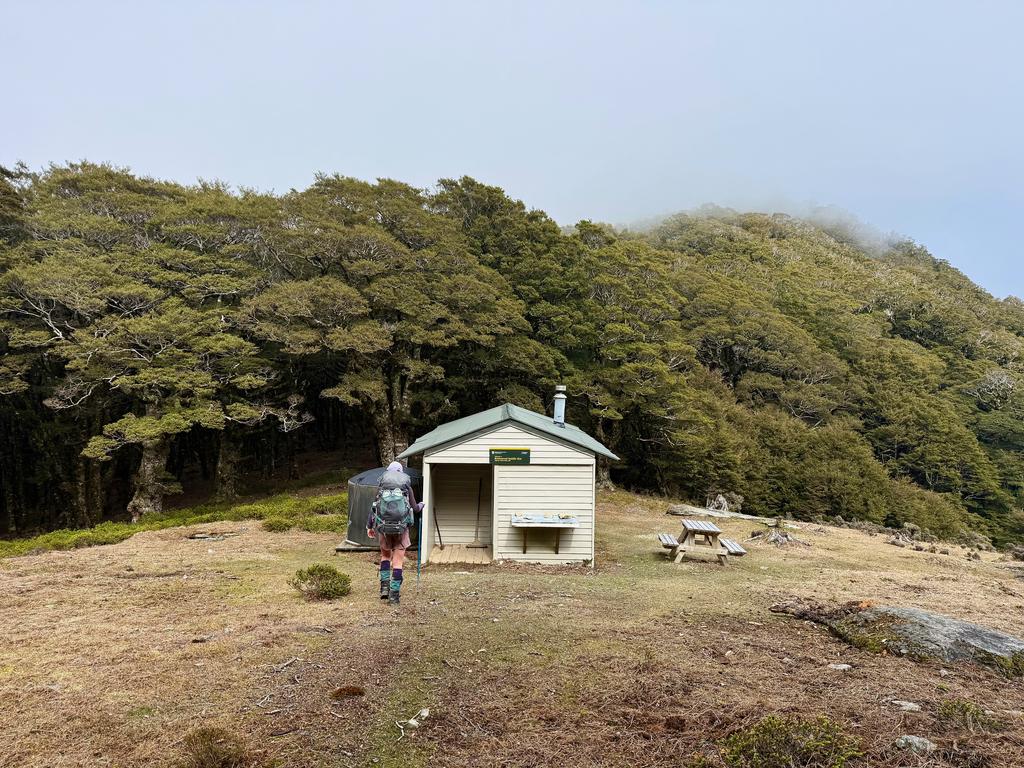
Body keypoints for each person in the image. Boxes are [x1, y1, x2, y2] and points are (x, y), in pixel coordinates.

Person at [367, 461, 421, 605]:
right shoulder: (406, 487)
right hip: (401, 530)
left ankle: (384, 588)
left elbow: (374, 508)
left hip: (383, 529)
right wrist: (422, 505)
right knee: (397, 562)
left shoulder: (381, 486)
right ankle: (394, 596)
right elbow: (415, 508)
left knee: (385, 556)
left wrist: (369, 527)